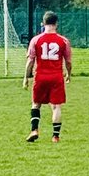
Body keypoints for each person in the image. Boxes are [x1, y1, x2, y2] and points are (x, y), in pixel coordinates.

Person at [24, 12, 72, 143]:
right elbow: (68, 61)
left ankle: (34, 130)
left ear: (43, 23)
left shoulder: (36, 40)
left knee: (36, 104)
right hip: (56, 77)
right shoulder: (63, 40)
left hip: (40, 77)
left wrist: (26, 77)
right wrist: (68, 74)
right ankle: (55, 136)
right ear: (56, 24)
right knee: (56, 106)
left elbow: (30, 61)